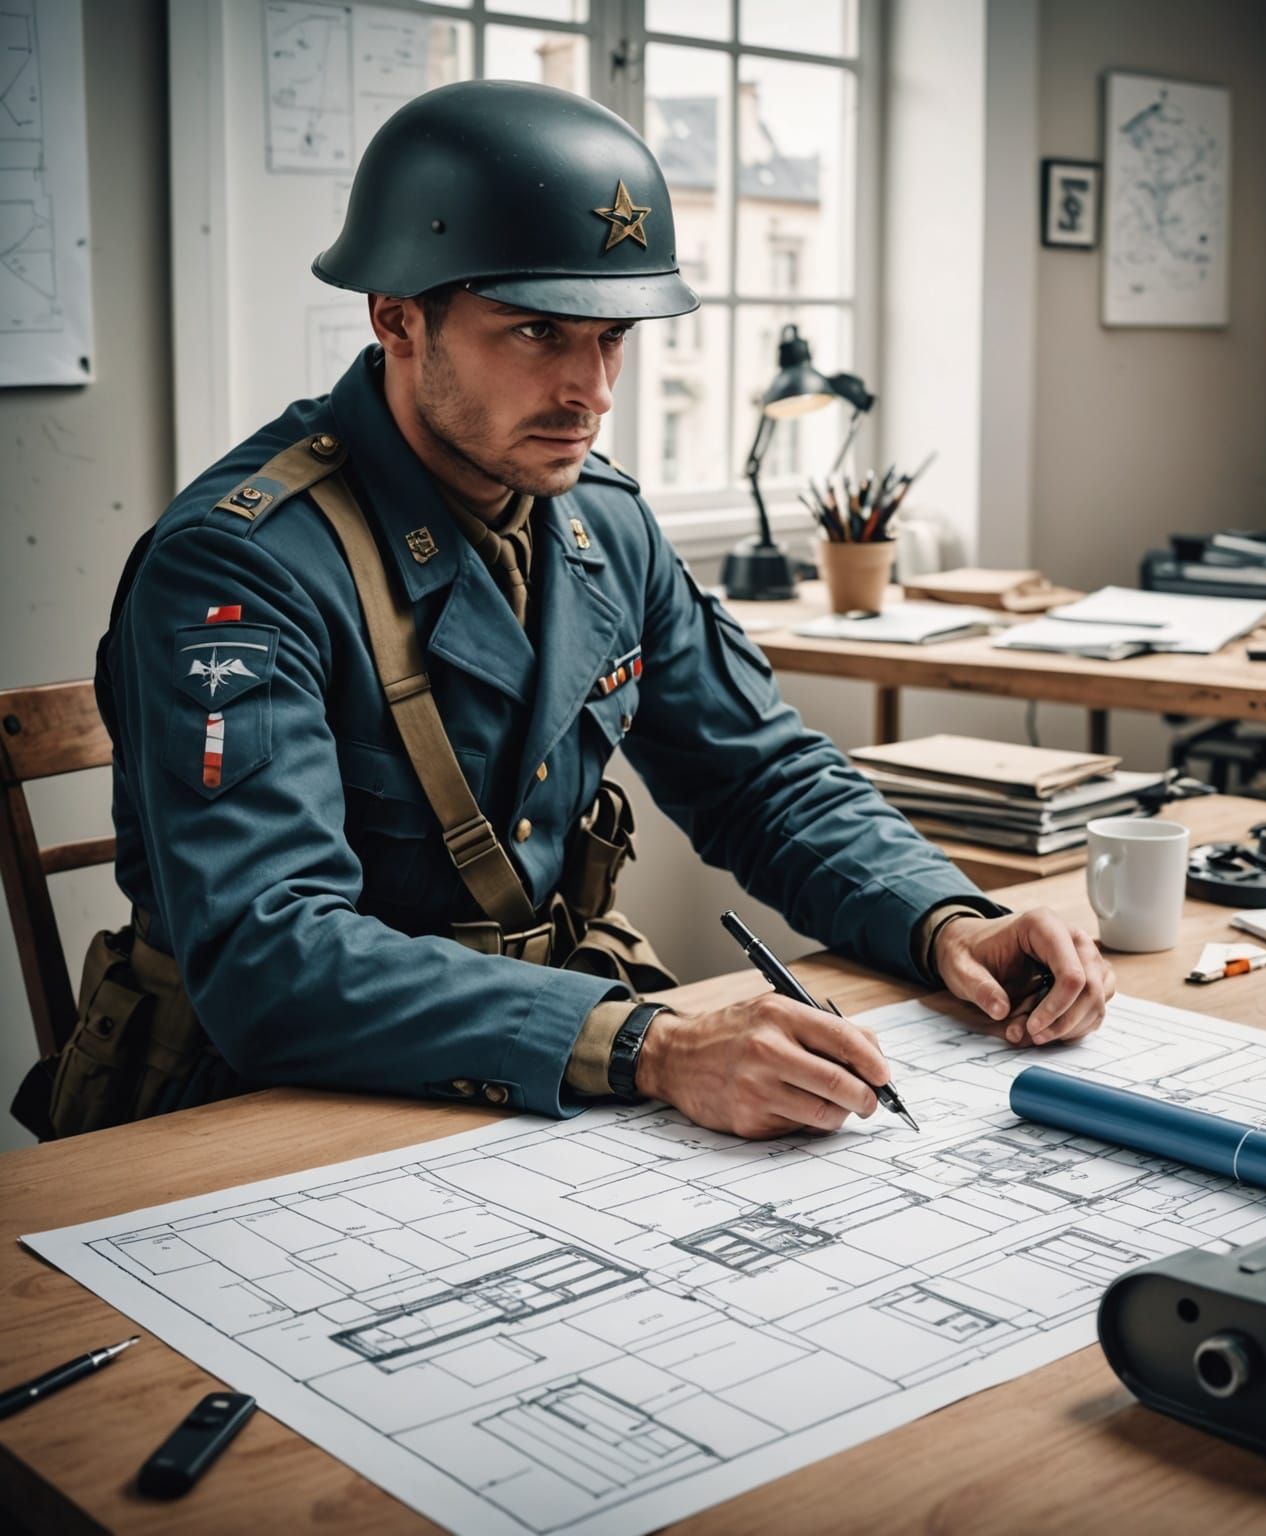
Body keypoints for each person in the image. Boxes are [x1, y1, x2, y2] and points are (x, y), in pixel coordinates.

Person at [93, 80, 1113, 1140]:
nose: (594, 391)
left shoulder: (600, 523)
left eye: (612, 335)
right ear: (398, 317)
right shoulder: (240, 566)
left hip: (550, 1064)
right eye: (538, 331)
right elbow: (270, 959)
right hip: (268, 1104)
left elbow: (757, 775)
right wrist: (652, 1047)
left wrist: (944, 918)